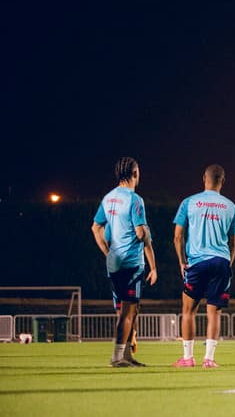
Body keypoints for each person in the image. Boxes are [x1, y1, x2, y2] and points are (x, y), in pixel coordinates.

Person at [172, 164, 235, 368]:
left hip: (197, 262)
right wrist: (229, 263)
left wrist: (181, 261)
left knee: (188, 311)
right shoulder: (231, 206)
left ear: (204, 178)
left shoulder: (189, 202)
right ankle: (209, 359)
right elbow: (234, 242)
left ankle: (188, 358)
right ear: (223, 180)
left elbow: (177, 237)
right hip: (221, 262)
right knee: (214, 312)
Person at [90, 156, 157, 367]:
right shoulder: (135, 199)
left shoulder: (108, 198)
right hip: (131, 263)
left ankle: (126, 355)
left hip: (114, 264)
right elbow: (139, 233)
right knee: (128, 312)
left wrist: (107, 251)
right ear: (135, 173)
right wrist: (146, 232)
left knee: (130, 310)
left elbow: (95, 227)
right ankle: (117, 357)